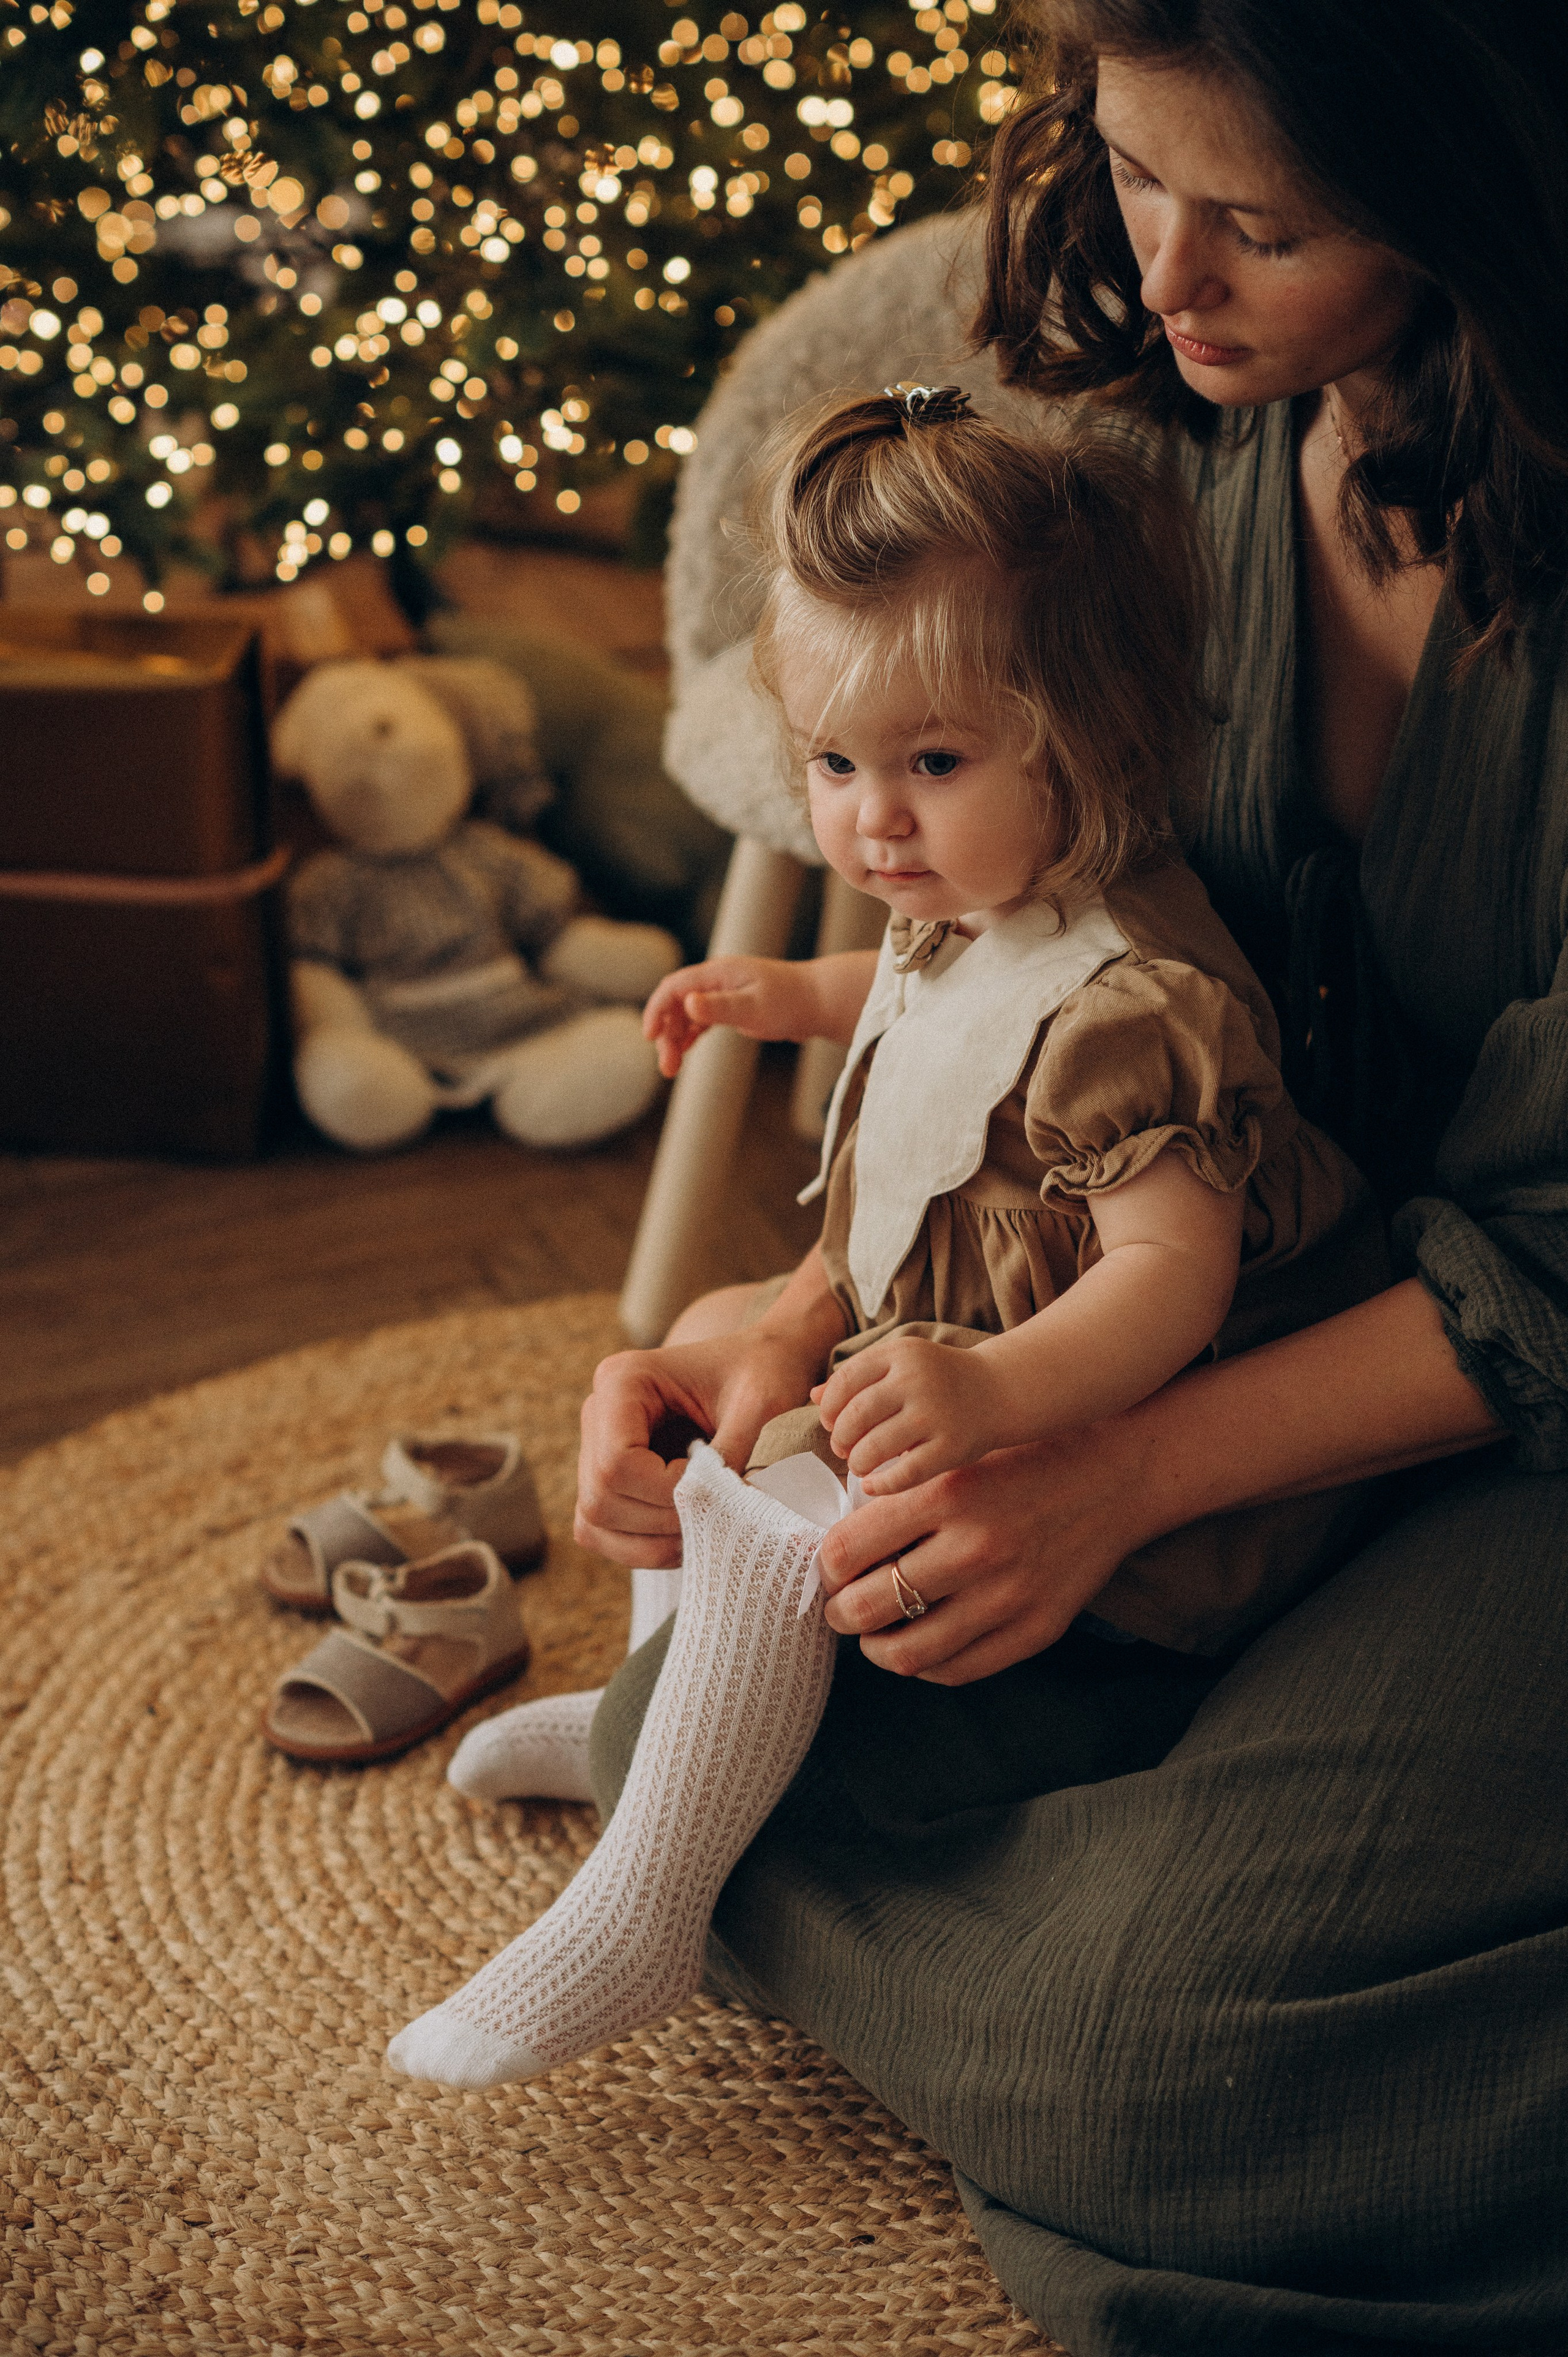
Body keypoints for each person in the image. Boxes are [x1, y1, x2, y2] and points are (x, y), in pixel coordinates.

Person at [567, 6, 1568, 2351]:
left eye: (1268, 223)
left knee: (1164, 2063)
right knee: (690, 1729)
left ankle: (1198, 2025)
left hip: (1510, 1422)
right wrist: (792, 1325)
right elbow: (1006, 984)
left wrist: (1118, 1472)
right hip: (1204, 1332)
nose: (1168, 276)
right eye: (1132, 172)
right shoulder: (1151, 452)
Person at [390, 386, 1387, 2090]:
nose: (872, 823)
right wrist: (791, 992)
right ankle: (662, 1716)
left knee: (791, 1499)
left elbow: (1174, 1278)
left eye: (932, 764)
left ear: (1094, 745)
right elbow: (925, 995)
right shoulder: (978, 894)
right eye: (835, 766)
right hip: (958, 1343)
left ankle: (650, 1899)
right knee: (713, 1344)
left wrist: (996, 1394)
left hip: (1111, 1440)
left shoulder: (1139, 1010)